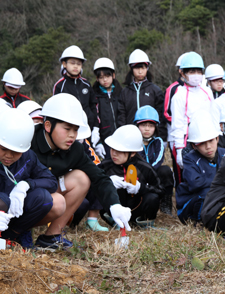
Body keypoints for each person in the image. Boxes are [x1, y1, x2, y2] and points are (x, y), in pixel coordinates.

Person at [31, 93, 132, 249]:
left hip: (46, 198)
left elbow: (99, 177)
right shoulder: (28, 138)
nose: (72, 135)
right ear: (48, 126)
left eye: (76, 129)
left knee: (81, 179)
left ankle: (51, 237)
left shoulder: (75, 150)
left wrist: (114, 205)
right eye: (67, 128)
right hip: (19, 198)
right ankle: (14, 232)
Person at [0, 112, 65, 249]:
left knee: (46, 198)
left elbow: (51, 181)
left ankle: (14, 235)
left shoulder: (28, 157)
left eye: (16, 151)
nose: (9, 156)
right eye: (3, 149)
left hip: (15, 214)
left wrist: (26, 184)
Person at [100, 125, 162, 228]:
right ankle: (115, 222)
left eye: (119, 150)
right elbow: (90, 187)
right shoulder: (105, 166)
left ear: (132, 152)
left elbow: (160, 190)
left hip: (137, 210)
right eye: (112, 149)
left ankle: (145, 223)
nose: (114, 154)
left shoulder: (144, 168)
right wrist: (106, 182)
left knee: (152, 197)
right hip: (114, 211)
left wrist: (141, 188)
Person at [170, 51, 213, 180]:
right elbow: (176, 125)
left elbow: (213, 117)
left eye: (199, 71)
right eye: (191, 71)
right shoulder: (179, 95)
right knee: (189, 178)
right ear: (182, 73)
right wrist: (179, 150)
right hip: (188, 142)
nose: (196, 75)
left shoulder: (207, 91)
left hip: (207, 138)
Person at [176, 115, 225, 223]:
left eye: (211, 141)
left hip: (216, 198)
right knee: (206, 192)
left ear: (217, 139)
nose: (208, 147)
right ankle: (198, 222)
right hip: (189, 204)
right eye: (202, 143)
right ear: (194, 146)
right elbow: (196, 183)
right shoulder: (190, 158)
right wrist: (222, 182)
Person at [53, 45, 99, 149]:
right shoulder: (60, 86)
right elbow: (56, 111)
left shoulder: (86, 84)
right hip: (69, 133)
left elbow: (94, 106)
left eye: (79, 64)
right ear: (64, 64)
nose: (76, 66)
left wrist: (96, 127)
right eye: (72, 63)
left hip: (88, 130)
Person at [117, 49, 167, 141]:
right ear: (131, 69)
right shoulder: (125, 92)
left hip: (151, 137)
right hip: (131, 137)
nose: (140, 71)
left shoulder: (155, 90)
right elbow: (121, 116)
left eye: (143, 68)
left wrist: (162, 137)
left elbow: (160, 115)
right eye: (137, 68)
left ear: (147, 69)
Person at [134, 105, 174, 216]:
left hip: (154, 173)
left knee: (165, 170)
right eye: (143, 125)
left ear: (155, 127)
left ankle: (166, 203)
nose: (147, 129)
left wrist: (149, 173)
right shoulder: (134, 142)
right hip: (139, 175)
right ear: (137, 126)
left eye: (151, 126)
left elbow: (159, 159)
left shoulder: (158, 141)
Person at [92, 57, 122, 159]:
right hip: (105, 141)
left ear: (113, 75)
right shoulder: (94, 97)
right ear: (97, 79)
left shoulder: (121, 93)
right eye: (101, 77)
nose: (105, 80)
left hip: (122, 139)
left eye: (107, 76)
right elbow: (94, 120)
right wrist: (98, 142)